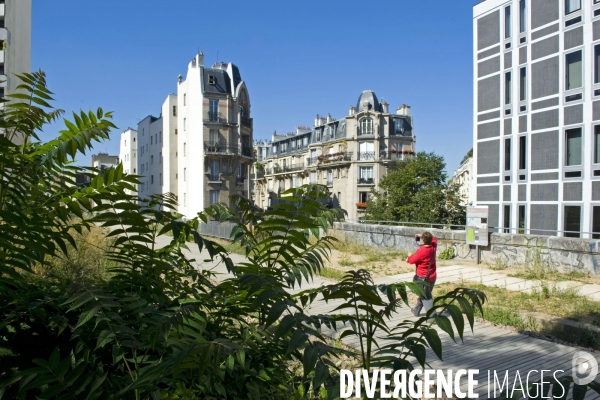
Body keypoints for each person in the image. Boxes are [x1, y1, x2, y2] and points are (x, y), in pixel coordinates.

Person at [406, 231, 437, 317]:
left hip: (422, 278)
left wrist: (409, 255)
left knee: (426, 297)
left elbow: (412, 260)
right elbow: (434, 238)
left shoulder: (422, 250)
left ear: (423, 240)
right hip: (432, 276)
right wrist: (422, 235)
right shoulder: (433, 246)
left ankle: (432, 317)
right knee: (424, 294)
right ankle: (416, 311)